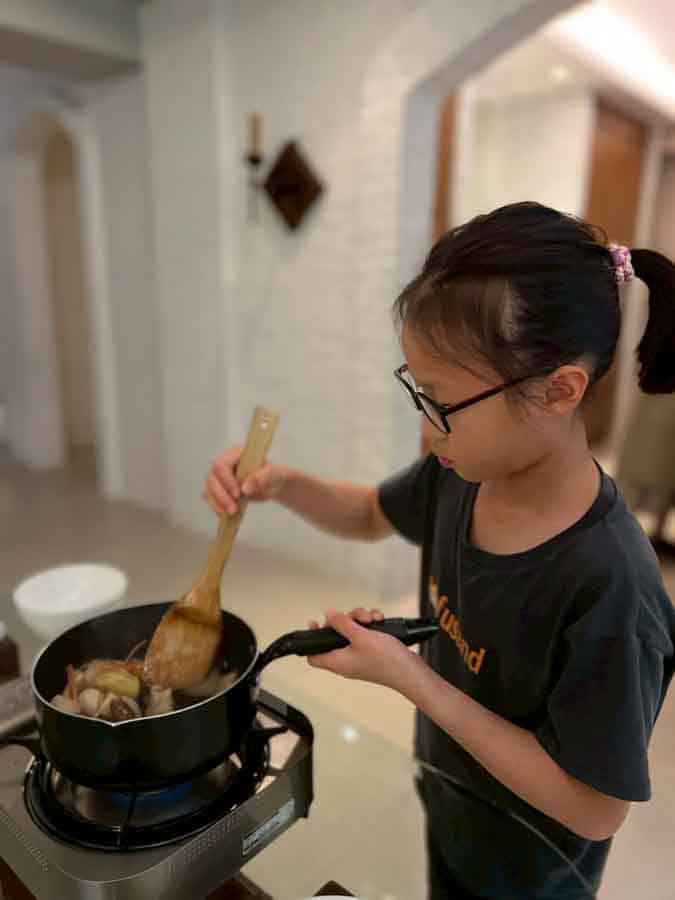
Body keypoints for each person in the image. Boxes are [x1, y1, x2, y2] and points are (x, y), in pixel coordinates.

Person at [204, 202, 675, 899]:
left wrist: (412, 679)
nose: (427, 431)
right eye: (418, 394)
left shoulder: (612, 585)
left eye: (441, 404)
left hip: (533, 875)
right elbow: (370, 513)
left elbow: (595, 808)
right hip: (450, 809)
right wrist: (281, 484)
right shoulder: (463, 474)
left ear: (558, 391)